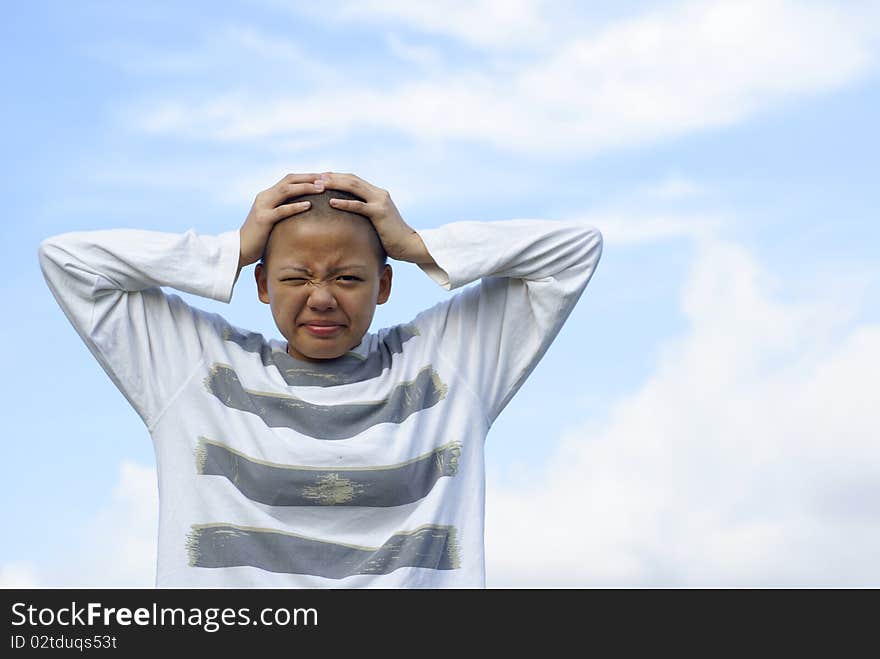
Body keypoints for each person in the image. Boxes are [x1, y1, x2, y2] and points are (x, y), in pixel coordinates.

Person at [38, 171, 603, 588]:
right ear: (261, 285)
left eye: (348, 277)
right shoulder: (197, 369)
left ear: (384, 285)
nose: (323, 297)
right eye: (295, 276)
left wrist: (420, 247)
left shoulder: (446, 364)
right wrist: (228, 251)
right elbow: (68, 260)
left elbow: (574, 251)